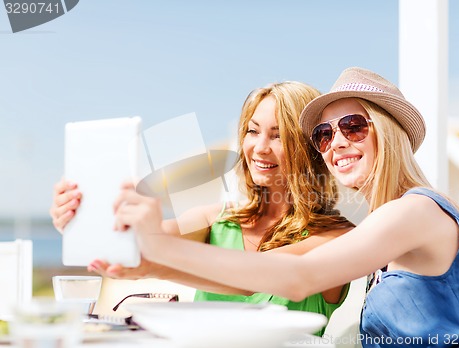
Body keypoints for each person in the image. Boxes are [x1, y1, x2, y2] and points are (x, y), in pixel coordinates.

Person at [118, 67, 459, 347]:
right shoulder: (387, 222)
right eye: (323, 134)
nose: (336, 143)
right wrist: (146, 258)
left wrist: (160, 250)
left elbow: (299, 275)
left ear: (387, 131)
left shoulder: (413, 212)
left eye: (353, 126)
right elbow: (253, 281)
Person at [50, 81, 355, 336]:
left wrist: (155, 264)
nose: (260, 147)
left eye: (278, 136)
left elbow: (257, 278)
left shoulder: (338, 237)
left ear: (309, 146)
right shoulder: (215, 220)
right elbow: (143, 239)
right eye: (252, 131)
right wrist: (83, 218)